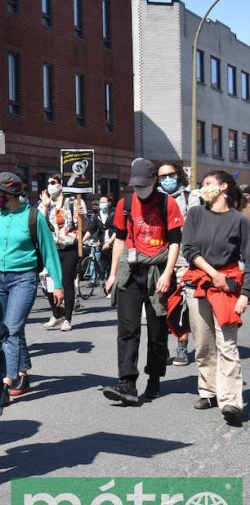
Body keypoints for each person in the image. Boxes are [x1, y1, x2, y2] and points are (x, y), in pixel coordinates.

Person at [102, 158, 183, 406]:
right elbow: (119, 239)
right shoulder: (124, 203)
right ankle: (126, 383)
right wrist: (113, 273)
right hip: (131, 269)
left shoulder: (167, 204)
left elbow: (175, 241)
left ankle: (155, 380)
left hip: (158, 270)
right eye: (135, 185)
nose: (139, 190)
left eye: (143, 185)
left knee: (158, 331)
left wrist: (168, 273)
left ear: (154, 181)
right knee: (127, 329)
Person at [0, 172, 64, 400]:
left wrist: (57, 285)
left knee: (11, 329)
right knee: (7, 329)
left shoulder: (33, 217)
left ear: (10, 194)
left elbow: (49, 251)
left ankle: (6, 382)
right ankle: (23, 373)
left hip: (23, 279)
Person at [177, 170, 247, 424]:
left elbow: (248, 261)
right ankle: (209, 391)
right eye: (202, 184)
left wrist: (246, 294)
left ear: (223, 187)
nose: (202, 188)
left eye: (207, 184)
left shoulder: (240, 220)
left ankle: (230, 401)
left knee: (227, 345)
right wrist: (212, 273)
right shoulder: (195, 214)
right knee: (204, 344)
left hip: (228, 288)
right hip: (198, 283)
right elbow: (189, 248)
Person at [157, 162, 201, 366]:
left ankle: (182, 347)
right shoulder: (154, 199)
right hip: (159, 260)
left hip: (183, 261)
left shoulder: (190, 197)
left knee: (181, 306)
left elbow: (193, 226)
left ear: (179, 175)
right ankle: (161, 347)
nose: (167, 179)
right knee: (160, 306)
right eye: (162, 176)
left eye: (171, 174)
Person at [39, 174, 86, 331]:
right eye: (48, 183)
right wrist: (45, 206)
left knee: (66, 281)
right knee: (49, 282)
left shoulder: (73, 202)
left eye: (53, 182)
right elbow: (40, 224)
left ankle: (68, 318)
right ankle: (56, 314)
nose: (50, 186)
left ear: (61, 185)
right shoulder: (45, 203)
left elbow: (83, 226)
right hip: (51, 247)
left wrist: (81, 215)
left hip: (69, 247)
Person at [86, 193, 117, 286]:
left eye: (104, 202)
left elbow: (116, 231)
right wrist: (83, 240)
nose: (101, 204)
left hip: (113, 242)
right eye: (100, 202)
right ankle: (105, 281)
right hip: (102, 243)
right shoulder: (97, 215)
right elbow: (91, 229)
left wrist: (110, 242)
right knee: (105, 263)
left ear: (109, 203)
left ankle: (112, 284)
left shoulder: (114, 214)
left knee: (113, 264)